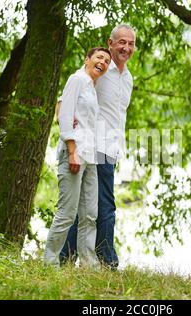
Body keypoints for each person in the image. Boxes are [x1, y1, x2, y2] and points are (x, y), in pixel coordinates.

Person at [60, 24, 136, 270]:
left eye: (131, 43)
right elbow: (69, 96)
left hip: (111, 149)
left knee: (87, 208)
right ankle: (107, 260)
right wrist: (68, 126)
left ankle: (65, 256)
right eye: (121, 42)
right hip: (94, 146)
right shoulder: (99, 68)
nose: (126, 47)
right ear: (110, 43)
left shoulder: (128, 78)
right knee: (106, 205)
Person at [44, 47, 112, 268]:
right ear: (87, 60)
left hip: (90, 157)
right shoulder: (77, 79)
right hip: (74, 154)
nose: (103, 62)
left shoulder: (92, 86)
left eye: (107, 60)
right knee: (67, 212)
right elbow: (64, 115)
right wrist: (72, 151)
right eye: (99, 57)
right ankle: (50, 262)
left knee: (90, 214)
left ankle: (88, 263)